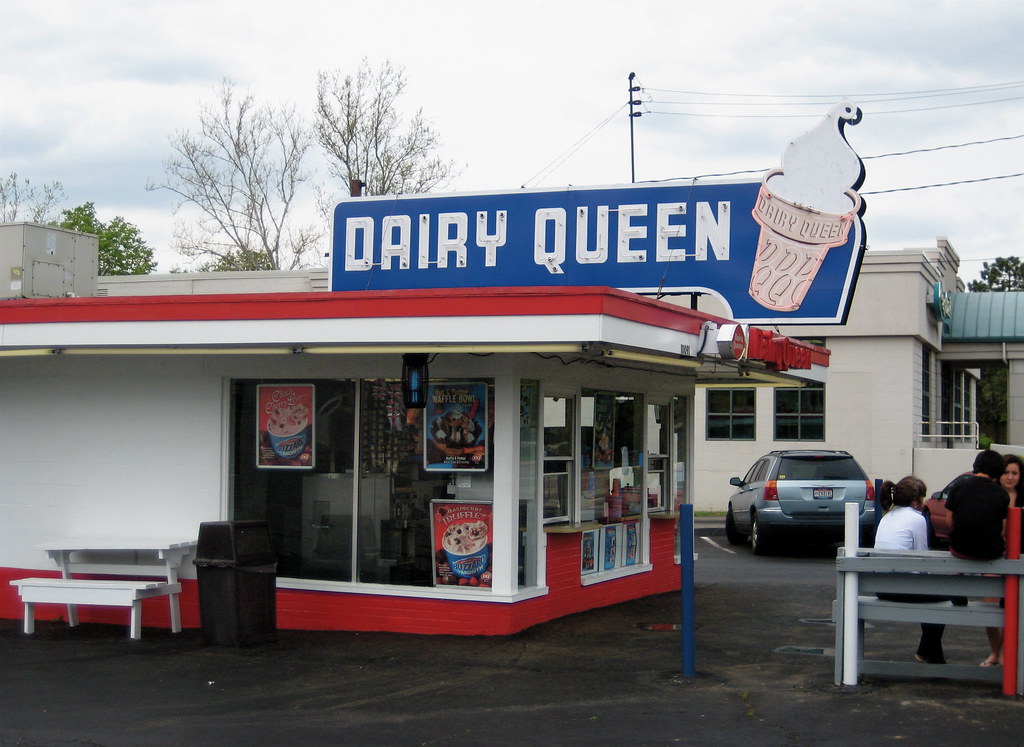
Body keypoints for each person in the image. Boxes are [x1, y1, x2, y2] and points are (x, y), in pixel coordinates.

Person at [945, 449, 1009, 667]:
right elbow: (1002, 530)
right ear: (998, 471)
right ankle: (1001, 654)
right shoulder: (1001, 494)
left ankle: (958, 579)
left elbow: (948, 520)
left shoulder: (960, 486)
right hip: (990, 553)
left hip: (960, 549)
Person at [873, 475, 947, 664]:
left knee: (932, 596)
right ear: (916, 500)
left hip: (881, 587)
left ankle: (931, 654)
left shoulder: (887, 516)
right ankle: (928, 652)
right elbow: (923, 560)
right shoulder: (917, 519)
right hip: (903, 587)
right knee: (948, 597)